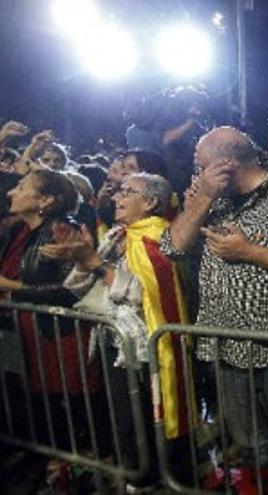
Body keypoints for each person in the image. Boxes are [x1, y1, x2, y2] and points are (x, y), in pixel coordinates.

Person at [160, 126, 268, 492]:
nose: (196, 173)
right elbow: (172, 248)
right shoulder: (210, 197)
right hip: (224, 346)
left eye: (200, 165)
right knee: (250, 445)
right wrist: (202, 201)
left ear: (226, 164)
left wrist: (250, 252)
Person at [43, 172, 192, 488]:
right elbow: (85, 286)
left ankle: (162, 477)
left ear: (150, 202)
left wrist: (94, 261)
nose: (116, 197)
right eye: (118, 191)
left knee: (151, 417)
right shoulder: (117, 234)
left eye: (127, 191)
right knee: (125, 419)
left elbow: (144, 295)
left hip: (147, 347)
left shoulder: (158, 237)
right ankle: (137, 475)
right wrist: (80, 258)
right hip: (115, 342)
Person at [0, 169, 105, 488]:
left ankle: (77, 471)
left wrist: (10, 287)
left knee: (69, 405)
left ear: (45, 200)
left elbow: (70, 290)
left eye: (21, 187)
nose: (10, 193)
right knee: (44, 405)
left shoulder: (61, 229)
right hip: (34, 333)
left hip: (62, 335)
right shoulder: (24, 231)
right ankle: (53, 464)